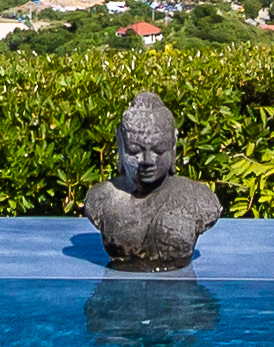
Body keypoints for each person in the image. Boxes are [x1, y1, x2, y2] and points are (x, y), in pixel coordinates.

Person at [83, 91, 222, 271]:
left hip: (178, 287)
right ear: (121, 145)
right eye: (135, 151)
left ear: (173, 145)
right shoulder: (101, 198)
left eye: (159, 150)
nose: (147, 160)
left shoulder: (199, 198)